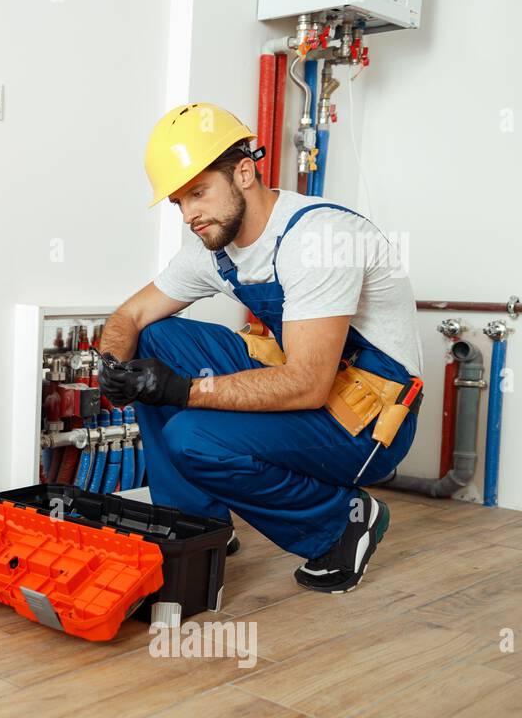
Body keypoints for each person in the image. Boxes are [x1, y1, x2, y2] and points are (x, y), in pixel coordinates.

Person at [98, 102, 423, 593]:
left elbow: (308, 384)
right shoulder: (215, 242)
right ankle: (198, 526)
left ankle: (341, 525)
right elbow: (131, 316)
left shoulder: (318, 240)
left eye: (199, 193)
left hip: (367, 421)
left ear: (245, 173)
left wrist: (182, 390)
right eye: (179, 202)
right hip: (315, 384)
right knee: (154, 338)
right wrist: (113, 365)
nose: (189, 214)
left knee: (192, 437)